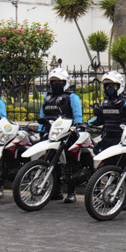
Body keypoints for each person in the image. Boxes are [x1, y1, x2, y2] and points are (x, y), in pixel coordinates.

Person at [90, 70, 126, 209]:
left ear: (119, 86)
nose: (110, 88)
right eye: (107, 85)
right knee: (106, 169)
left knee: (124, 170)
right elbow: (98, 120)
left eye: (113, 85)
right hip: (107, 140)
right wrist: (85, 124)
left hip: (121, 141)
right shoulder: (105, 102)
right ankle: (108, 196)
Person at [39, 67, 83, 203]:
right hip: (51, 135)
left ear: (65, 82)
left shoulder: (72, 97)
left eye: (59, 81)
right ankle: (55, 191)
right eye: (53, 82)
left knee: (70, 163)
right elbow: (42, 115)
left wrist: (76, 127)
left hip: (68, 135)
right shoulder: (47, 97)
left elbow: (78, 116)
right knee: (51, 162)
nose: (56, 84)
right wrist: (41, 130)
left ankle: (71, 192)